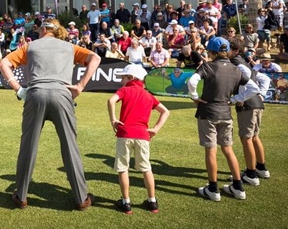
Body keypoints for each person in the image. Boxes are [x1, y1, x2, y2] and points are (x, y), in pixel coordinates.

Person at [0, 19, 101, 210]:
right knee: (70, 145)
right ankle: (81, 198)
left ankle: (21, 196)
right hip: (62, 95)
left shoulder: (30, 46)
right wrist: (79, 86)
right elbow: (96, 58)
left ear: (44, 29)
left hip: (35, 94)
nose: (37, 32)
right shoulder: (70, 47)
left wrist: (18, 89)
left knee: (28, 145)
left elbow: (3, 63)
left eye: (38, 30)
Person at [187, 37, 260, 202]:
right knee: (228, 149)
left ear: (212, 52)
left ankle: (213, 189)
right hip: (226, 114)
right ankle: (238, 186)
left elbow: (192, 81)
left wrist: (195, 97)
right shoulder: (235, 69)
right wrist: (234, 99)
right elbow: (254, 88)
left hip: (208, 113)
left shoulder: (208, 66)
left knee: (211, 150)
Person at [107, 64, 170, 214]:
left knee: (123, 168)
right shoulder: (148, 95)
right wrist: (155, 129)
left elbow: (110, 101)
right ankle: (152, 201)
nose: (121, 80)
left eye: (123, 77)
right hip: (142, 136)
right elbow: (165, 112)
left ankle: (126, 202)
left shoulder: (125, 90)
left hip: (125, 134)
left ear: (131, 78)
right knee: (146, 168)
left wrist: (113, 119)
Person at [228, 41, 272, 186]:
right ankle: (261, 168)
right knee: (254, 137)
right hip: (257, 103)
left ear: (235, 50)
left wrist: (240, 97)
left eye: (228, 48)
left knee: (246, 138)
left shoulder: (237, 63)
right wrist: (262, 95)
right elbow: (264, 79)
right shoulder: (244, 62)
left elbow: (246, 76)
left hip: (248, 105)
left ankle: (251, 174)